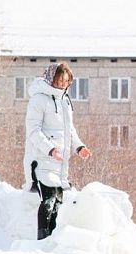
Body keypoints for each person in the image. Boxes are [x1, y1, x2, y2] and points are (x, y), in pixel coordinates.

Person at [23, 63, 92, 240]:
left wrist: (79, 147)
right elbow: (33, 131)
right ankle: (42, 239)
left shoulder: (65, 101)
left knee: (58, 202)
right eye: (59, 80)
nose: (62, 84)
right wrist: (50, 149)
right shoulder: (39, 99)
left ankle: (51, 239)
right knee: (49, 198)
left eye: (66, 81)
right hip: (41, 158)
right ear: (51, 78)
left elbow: (69, 130)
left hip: (60, 162)